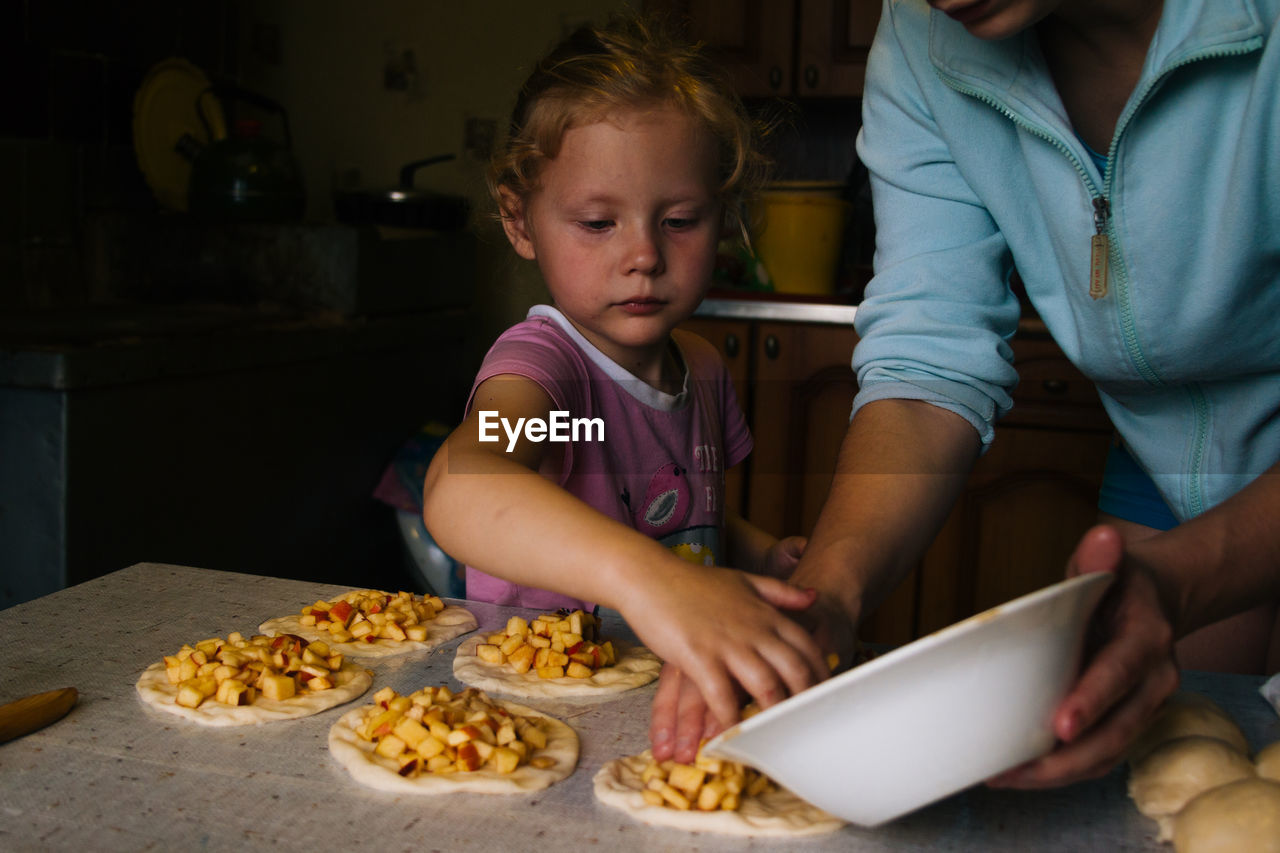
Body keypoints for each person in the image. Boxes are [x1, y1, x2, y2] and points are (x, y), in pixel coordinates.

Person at [650, 0, 1280, 787]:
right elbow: (927, 366)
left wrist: (1183, 577)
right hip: (1162, 468)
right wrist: (826, 593)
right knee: (1175, 781)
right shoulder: (919, 41)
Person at [420, 17, 829, 727]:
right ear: (521, 222)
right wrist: (648, 578)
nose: (643, 254)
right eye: (598, 223)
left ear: (722, 218)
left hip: (666, 699)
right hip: (534, 711)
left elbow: (689, 509)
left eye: (679, 219)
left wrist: (765, 553)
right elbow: (462, 481)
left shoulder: (701, 368)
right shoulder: (543, 370)